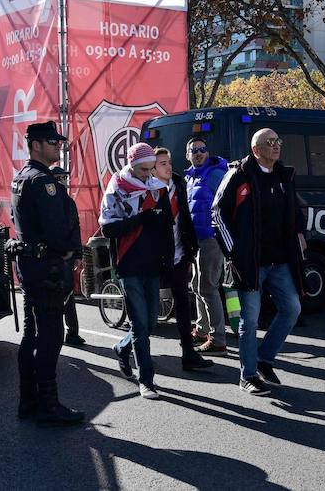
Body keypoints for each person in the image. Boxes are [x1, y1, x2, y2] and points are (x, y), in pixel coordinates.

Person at [212, 128, 304, 396]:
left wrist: (300, 233)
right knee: (249, 321)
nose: (276, 146)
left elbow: (295, 211)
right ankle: (248, 375)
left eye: (278, 141)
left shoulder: (285, 175)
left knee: (292, 309)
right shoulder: (239, 174)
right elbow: (217, 214)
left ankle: (264, 358)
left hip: (281, 262)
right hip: (250, 263)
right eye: (269, 142)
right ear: (256, 150)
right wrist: (233, 252)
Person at [11, 121, 84, 425]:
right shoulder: (44, 182)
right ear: (37, 144)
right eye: (53, 143)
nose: (58, 148)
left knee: (32, 335)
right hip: (48, 269)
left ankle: (29, 401)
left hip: (32, 267)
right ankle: (48, 405)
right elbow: (57, 232)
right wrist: (71, 251)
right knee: (50, 337)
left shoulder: (22, 177)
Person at [99, 143, 174, 400]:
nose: (147, 175)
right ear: (131, 166)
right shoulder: (116, 188)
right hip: (129, 264)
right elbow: (108, 229)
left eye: (150, 169)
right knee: (140, 325)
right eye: (143, 170)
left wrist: (168, 260)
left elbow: (167, 228)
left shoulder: (159, 189)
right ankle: (147, 380)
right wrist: (140, 219)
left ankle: (121, 348)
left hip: (153, 264)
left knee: (151, 322)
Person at [153, 147, 215, 372]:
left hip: (179, 255)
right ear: (152, 168)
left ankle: (188, 353)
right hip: (156, 258)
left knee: (182, 305)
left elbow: (186, 217)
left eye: (169, 162)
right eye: (162, 163)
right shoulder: (148, 189)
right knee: (147, 313)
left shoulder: (179, 184)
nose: (168, 166)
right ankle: (127, 346)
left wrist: (190, 248)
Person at [184, 137, 230, 356]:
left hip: (211, 239)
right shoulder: (190, 177)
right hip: (196, 241)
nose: (199, 153)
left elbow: (227, 205)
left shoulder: (215, 174)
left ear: (208, 152)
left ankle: (218, 339)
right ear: (188, 155)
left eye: (203, 149)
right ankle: (202, 331)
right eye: (194, 150)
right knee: (196, 285)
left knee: (208, 287)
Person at [49, 165, 86, 347]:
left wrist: (77, 253)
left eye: (64, 178)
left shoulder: (68, 202)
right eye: (59, 178)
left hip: (68, 256)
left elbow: (76, 228)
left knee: (69, 295)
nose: (63, 181)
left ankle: (72, 333)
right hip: (53, 256)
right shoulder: (47, 200)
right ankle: (55, 333)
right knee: (54, 296)